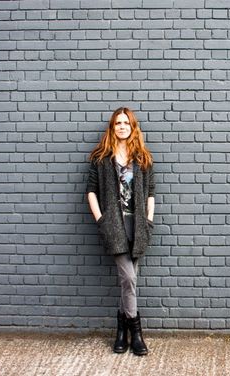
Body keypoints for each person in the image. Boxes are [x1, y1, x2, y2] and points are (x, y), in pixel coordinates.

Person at [86, 107, 155, 356]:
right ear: (112, 128)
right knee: (129, 279)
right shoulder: (101, 158)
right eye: (118, 123)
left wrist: (148, 221)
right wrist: (101, 219)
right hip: (114, 225)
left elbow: (150, 193)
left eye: (126, 122)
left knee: (128, 282)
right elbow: (91, 191)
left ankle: (121, 331)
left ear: (132, 126)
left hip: (137, 225)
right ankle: (136, 333)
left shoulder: (142, 157)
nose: (122, 126)